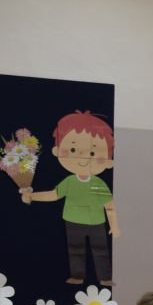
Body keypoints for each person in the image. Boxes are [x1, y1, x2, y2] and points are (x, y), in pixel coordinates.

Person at [17, 111, 118, 287]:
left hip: (96, 222)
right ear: (57, 151)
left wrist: (114, 225)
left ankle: (105, 277)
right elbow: (53, 195)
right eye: (72, 150)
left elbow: (109, 205)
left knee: (101, 249)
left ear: (108, 161)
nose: (83, 157)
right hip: (73, 221)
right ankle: (77, 276)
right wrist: (32, 196)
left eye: (92, 152)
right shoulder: (69, 182)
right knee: (75, 250)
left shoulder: (99, 184)